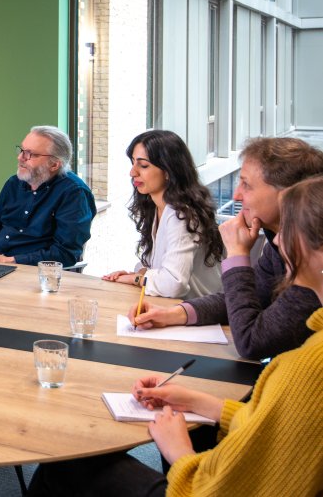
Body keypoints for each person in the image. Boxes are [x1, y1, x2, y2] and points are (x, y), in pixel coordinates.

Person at [28, 175, 323, 497]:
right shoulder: (310, 350)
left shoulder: (306, 366)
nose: (277, 243)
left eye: (287, 233)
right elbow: (276, 430)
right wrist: (197, 401)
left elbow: (215, 490)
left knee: (66, 463)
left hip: (193, 487)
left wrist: (177, 450)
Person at [130, 137, 323, 360]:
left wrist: (238, 255)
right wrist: (172, 314)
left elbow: (252, 342)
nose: (236, 195)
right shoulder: (277, 245)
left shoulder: (313, 262)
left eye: (246, 185)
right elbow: (246, 298)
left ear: (288, 195)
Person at [103, 130, 223, 299]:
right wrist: (135, 274)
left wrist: (138, 279)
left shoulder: (181, 216)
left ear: (168, 171)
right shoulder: (157, 208)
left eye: (143, 165)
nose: (133, 172)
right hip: (175, 310)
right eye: (133, 163)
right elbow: (161, 267)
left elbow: (174, 284)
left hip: (199, 317)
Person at [0, 125, 95, 267]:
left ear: (54, 164)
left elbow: (65, 253)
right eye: (22, 151)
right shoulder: (13, 183)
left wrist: (10, 260)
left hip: (39, 275)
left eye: (30, 154)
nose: (20, 157)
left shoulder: (74, 193)